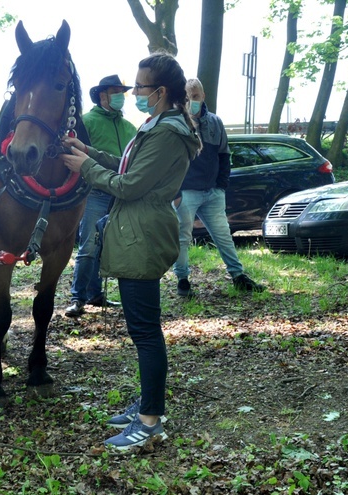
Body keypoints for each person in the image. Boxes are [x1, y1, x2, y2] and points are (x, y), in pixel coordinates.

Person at [61, 53, 201, 450]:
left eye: (140, 87)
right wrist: (87, 153)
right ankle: (149, 403)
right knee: (144, 329)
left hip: (141, 232)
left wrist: (84, 168)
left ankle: (150, 421)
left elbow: (129, 186)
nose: (134, 93)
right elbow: (125, 168)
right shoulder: (158, 125)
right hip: (136, 228)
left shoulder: (166, 133)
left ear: (160, 92)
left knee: (145, 331)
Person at [173, 78, 265, 297]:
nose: (192, 101)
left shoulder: (215, 122)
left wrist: (221, 186)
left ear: (203, 96)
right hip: (186, 193)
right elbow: (169, 163)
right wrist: (176, 193)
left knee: (223, 235)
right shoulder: (176, 123)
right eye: (188, 97)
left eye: (196, 96)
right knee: (182, 238)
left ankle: (238, 276)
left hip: (212, 192)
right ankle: (182, 280)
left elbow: (224, 155)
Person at [65, 75, 136, 318]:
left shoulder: (130, 128)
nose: (120, 96)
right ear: (102, 95)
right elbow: (75, 153)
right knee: (89, 245)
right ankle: (77, 297)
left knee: (107, 246)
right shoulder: (86, 122)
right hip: (94, 191)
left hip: (121, 193)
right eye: (115, 92)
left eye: (121, 92)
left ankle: (96, 294)